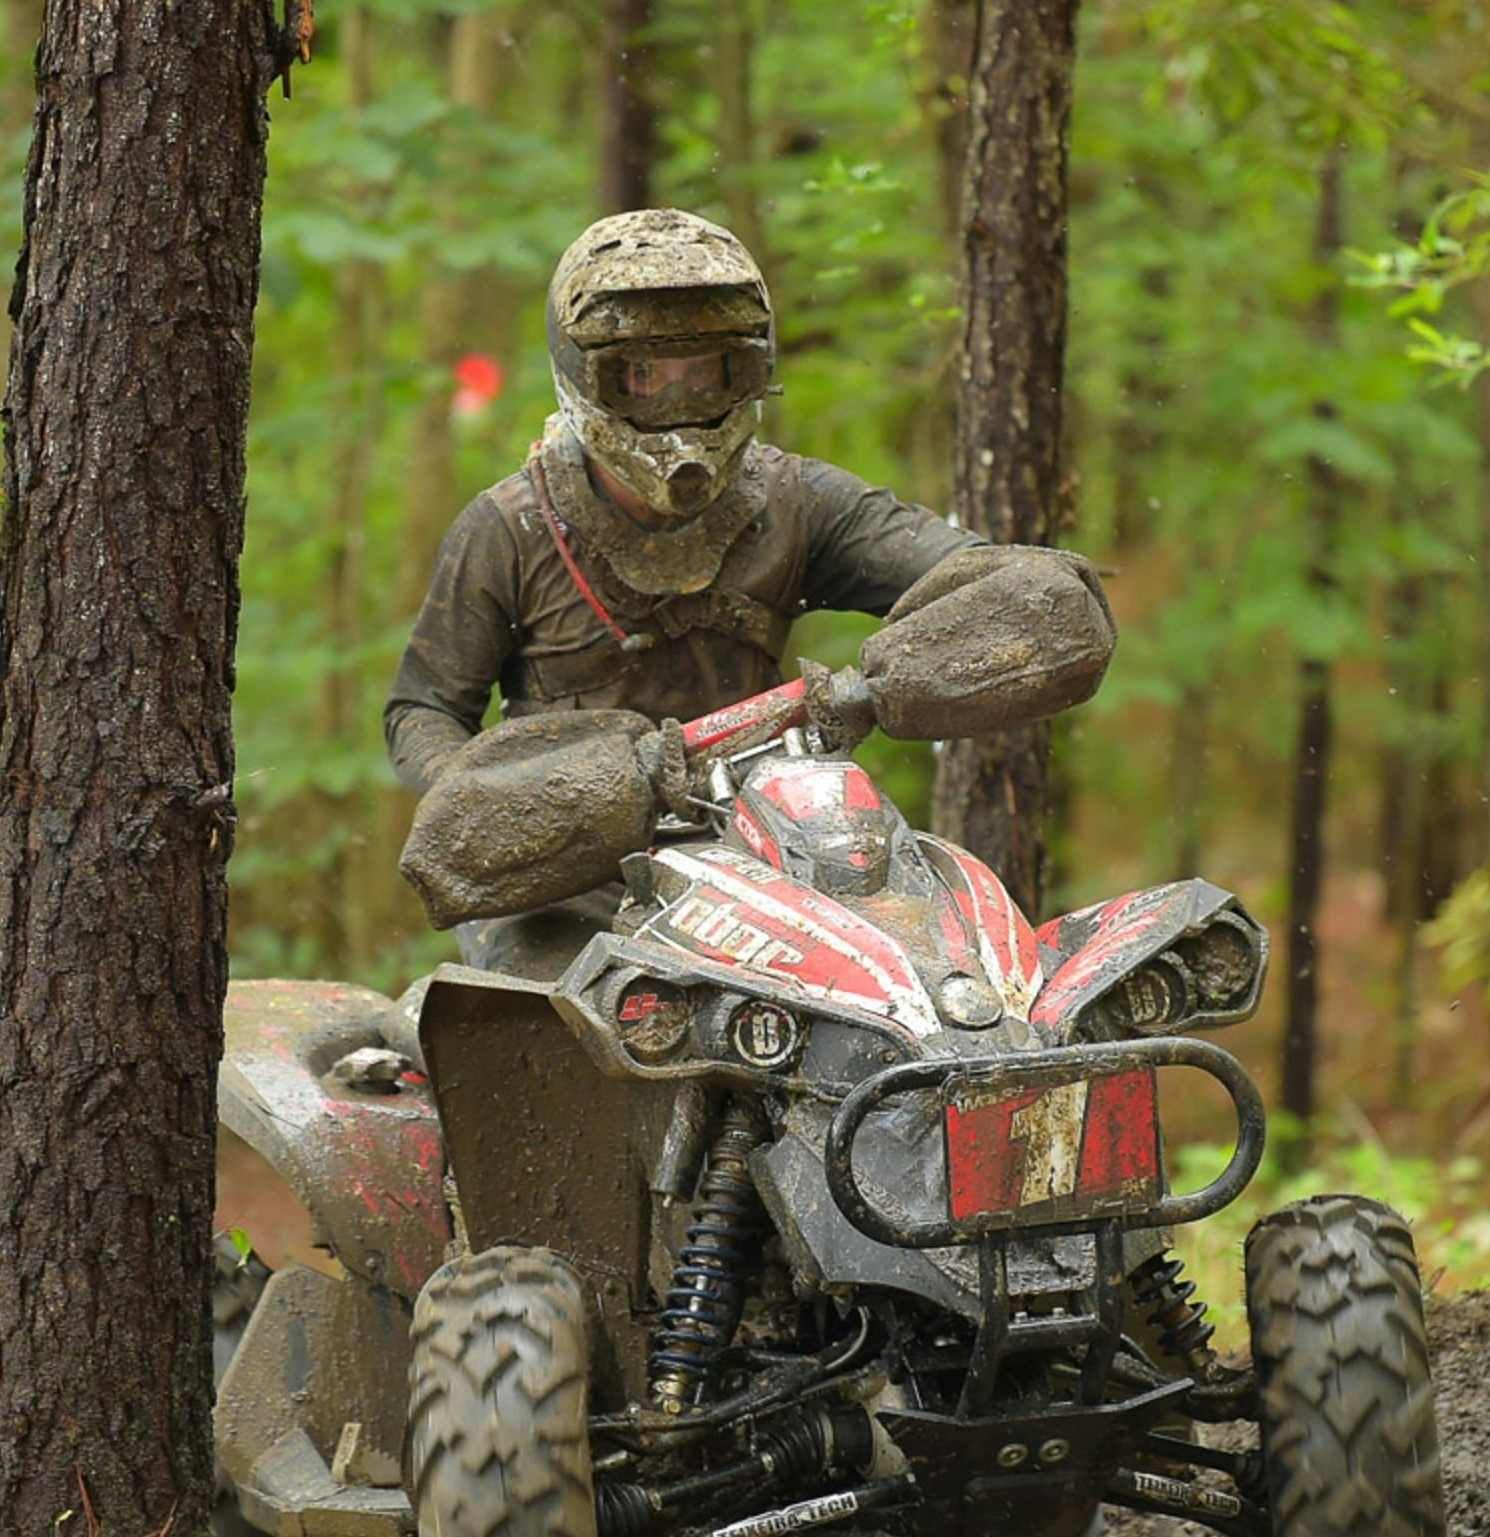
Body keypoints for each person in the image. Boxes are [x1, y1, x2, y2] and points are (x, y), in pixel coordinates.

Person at [383, 209, 1087, 973]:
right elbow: (423, 708)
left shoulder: (796, 501)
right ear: (589, 375)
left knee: (920, 999)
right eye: (645, 376)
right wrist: (501, 804)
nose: (678, 403)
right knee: (564, 1049)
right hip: (571, 883)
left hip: (770, 856)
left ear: (747, 368)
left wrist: (876, 687)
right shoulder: (510, 528)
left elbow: (986, 577)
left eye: (705, 373)